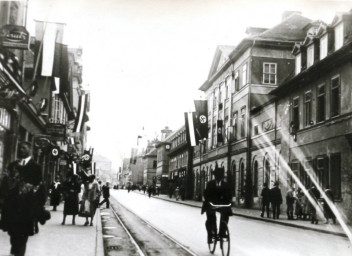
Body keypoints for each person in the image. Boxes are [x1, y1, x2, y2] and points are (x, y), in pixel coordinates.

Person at [0, 141, 47, 256]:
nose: (21, 150)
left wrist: (38, 205)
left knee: (23, 234)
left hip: (27, 207)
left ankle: (18, 253)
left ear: (30, 150)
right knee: (12, 233)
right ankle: (15, 250)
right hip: (12, 206)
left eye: (24, 148)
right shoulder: (13, 165)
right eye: (20, 148)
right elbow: (4, 183)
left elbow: (39, 186)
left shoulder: (36, 167)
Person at [201, 166, 232, 244]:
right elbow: (206, 194)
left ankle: (222, 232)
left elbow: (229, 194)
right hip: (211, 203)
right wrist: (209, 201)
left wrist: (229, 201)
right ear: (215, 176)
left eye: (220, 176)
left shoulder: (225, 185)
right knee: (211, 218)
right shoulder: (210, 184)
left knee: (226, 215)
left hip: (222, 204)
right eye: (217, 176)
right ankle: (210, 234)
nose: (219, 177)